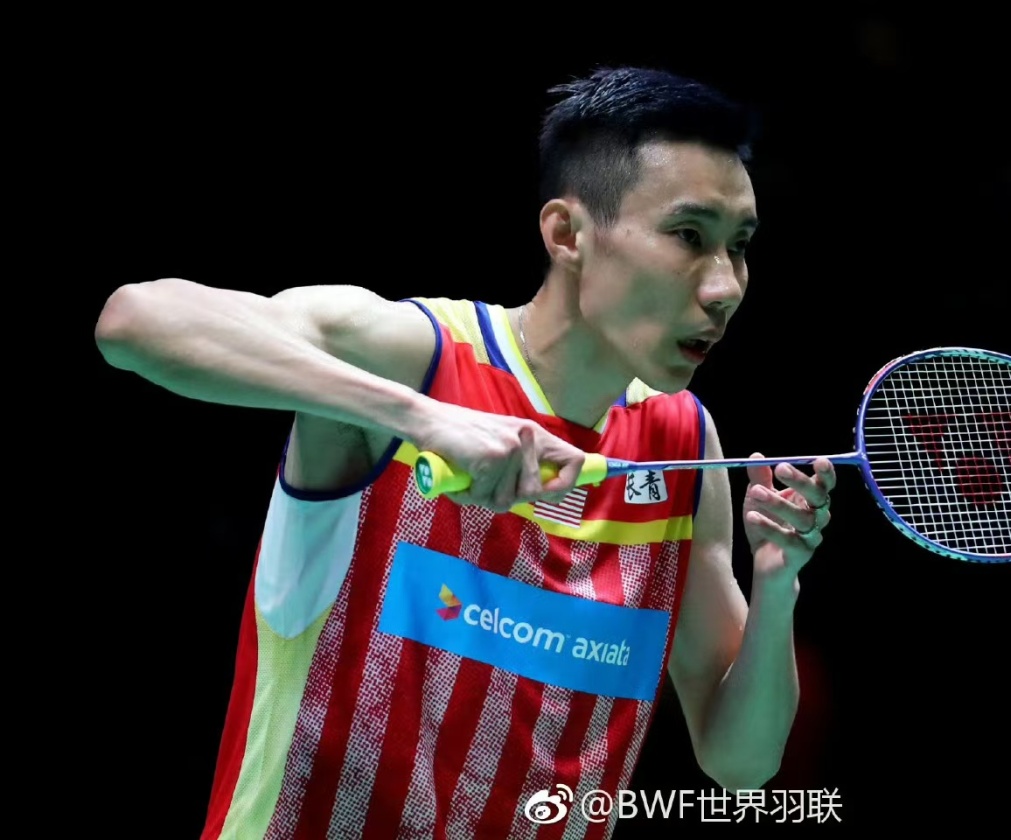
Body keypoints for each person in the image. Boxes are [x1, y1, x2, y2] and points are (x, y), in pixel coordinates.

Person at [95, 65, 836, 839]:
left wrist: (776, 585)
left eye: (739, 246)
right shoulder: (414, 357)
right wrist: (423, 419)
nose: (725, 287)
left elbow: (741, 762)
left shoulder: (681, 444)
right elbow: (135, 321)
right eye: (689, 237)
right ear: (568, 234)